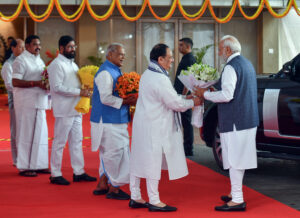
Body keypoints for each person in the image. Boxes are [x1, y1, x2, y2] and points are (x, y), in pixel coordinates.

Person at [129, 44, 202, 212]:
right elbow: (174, 103)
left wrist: (185, 96)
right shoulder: (159, 78)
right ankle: (154, 201)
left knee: (138, 159)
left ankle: (135, 196)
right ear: (160, 59)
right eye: (169, 57)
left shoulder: (149, 73)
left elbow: (168, 97)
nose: (172, 60)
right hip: (154, 126)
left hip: (144, 124)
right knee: (152, 162)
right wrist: (193, 102)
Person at [194, 35, 259, 211]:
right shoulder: (246, 63)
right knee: (240, 159)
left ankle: (237, 199)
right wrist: (215, 90)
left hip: (235, 121)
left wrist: (205, 94)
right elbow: (236, 91)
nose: (219, 52)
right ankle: (234, 193)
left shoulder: (231, 67)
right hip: (247, 120)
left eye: (221, 49)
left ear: (228, 50)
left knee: (234, 160)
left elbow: (227, 95)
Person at [48, 35, 97, 185]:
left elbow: (75, 85)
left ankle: (79, 172)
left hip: (76, 108)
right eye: (70, 47)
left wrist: (85, 89)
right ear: (61, 48)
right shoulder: (56, 64)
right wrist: (79, 92)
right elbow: (56, 87)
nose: (73, 49)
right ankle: (55, 174)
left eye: (74, 47)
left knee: (77, 141)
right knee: (60, 142)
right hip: (64, 109)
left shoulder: (73, 64)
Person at [90, 43, 136, 200]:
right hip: (108, 120)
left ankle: (103, 183)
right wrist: (126, 101)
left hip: (114, 119)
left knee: (110, 153)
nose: (123, 56)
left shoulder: (114, 70)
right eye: (120, 54)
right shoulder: (105, 73)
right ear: (109, 55)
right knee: (115, 154)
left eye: (124, 54)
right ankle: (114, 188)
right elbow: (106, 98)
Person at [12, 35, 50, 177]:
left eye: (39, 44)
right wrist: (35, 83)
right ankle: (24, 166)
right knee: (25, 134)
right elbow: (15, 82)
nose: (38, 47)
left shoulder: (38, 59)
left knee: (41, 134)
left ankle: (39, 164)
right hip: (25, 102)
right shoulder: (20, 60)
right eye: (35, 44)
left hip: (39, 100)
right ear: (27, 46)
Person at [0, 38, 24, 166]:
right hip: (15, 101)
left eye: (24, 47)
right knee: (16, 131)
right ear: (13, 48)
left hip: (26, 101)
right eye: (20, 47)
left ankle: (25, 157)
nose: (23, 50)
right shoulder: (8, 65)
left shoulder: (24, 62)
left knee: (25, 130)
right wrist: (26, 85)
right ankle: (17, 159)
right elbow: (9, 85)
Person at [174, 38, 196, 156]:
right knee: (184, 121)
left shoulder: (189, 59)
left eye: (181, 45)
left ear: (188, 46)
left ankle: (188, 148)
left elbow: (189, 79)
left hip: (185, 95)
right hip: (182, 94)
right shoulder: (187, 58)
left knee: (186, 122)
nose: (179, 47)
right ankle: (186, 146)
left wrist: (184, 95)